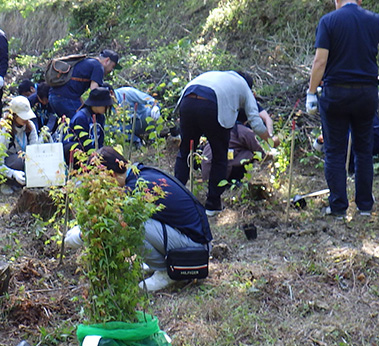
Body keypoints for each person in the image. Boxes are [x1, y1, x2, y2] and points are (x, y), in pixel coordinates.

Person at [64, 147, 213, 292]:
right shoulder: (140, 174)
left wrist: (80, 235)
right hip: (194, 239)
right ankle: (159, 263)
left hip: (195, 247)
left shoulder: (134, 187)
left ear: (112, 175)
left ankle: (165, 272)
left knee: (130, 222)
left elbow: (111, 221)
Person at [306, 0, 379, 217]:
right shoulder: (375, 20)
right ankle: (364, 205)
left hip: (336, 93)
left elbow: (320, 61)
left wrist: (311, 93)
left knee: (334, 150)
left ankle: (338, 206)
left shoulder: (328, 21)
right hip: (366, 93)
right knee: (364, 149)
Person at [174, 70, 276, 216]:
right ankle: (212, 204)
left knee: (185, 152)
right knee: (219, 155)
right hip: (211, 104)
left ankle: (175, 197)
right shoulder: (244, 88)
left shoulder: (221, 76)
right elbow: (256, 123)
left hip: (187, 100)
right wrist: (271, 140)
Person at [0, 95, 40, 190]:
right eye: (22, 116)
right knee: (19, 161)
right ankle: (7, 183)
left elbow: (35, 151)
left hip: (24, 163)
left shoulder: (30, 127)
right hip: (7, 165)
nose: (25, 119)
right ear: (14, 115)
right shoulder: (6, 131)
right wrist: (13, 174)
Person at [48, 49, 121, 119]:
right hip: (66, 99)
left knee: (69, 125)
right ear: (107, 60)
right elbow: (95, 91)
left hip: (53, 97)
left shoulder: (87, 62)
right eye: (113, 66)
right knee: (81, 123)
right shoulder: (98, 66)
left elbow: (74, 87)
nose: (111, 70)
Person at [201, 117, 268, 183]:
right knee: (250, 153)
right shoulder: (243, 131)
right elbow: (260, 152)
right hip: (220, 172)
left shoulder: (220, 128)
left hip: (206, 171)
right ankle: (236, 181)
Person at [62, 87, 113, 161]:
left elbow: (100, 140)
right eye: (105, 105)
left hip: (92, 152)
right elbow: (83, 142)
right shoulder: (81, 118)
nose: (107, 108)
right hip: (77, 153)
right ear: (97, 104)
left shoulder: (100, 117)